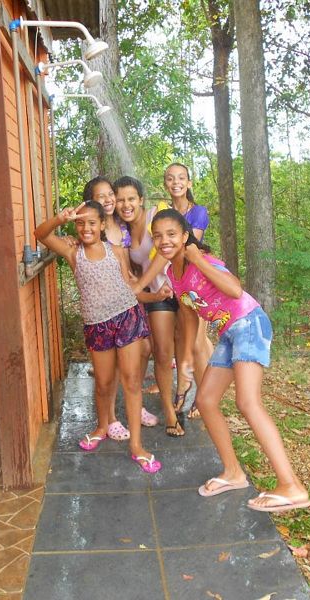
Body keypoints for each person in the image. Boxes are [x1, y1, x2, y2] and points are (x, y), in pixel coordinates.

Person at [150, 209, 309, 511]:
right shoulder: (172, 273)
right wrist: (186, 358)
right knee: (206, 400)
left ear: (185, 236)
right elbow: (189, 315)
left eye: (171, 234)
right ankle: (233, 472)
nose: (164, 240)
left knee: (247, 402)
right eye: (157, 236)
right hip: (229, 332)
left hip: (249, 323)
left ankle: (292, 486)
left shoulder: (203, 260)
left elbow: (235, 290)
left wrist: (198, 260)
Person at [34, 201, 161, 473]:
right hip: (97, 326)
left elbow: (130, 286)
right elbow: (40, 234)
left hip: (126, 318)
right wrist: (60, 219)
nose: (86, 228)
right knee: (103, 383)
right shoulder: (72, 252)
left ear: (102, 224)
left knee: (131, 381)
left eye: (92, 222)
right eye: (80, 223)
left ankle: (136, 445)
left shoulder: (116, 251)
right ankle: (102, 426)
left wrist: (152, 297)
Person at [82, 177, 158, 437]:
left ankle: (136, 405)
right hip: (105, 307)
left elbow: (129, 260)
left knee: (142, 351)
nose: (108, 200)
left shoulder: (122, 224)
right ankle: (111, 418)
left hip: (129, 299)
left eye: (110, 194)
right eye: (101, 196)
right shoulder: (94, 228)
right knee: (111, 365)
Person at [114, 176, 184, 437]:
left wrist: (139, 284)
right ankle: (169, 411)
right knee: (163, 354)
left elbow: (165, 252)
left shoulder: (156, 216)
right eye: (120, 199)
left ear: (141, 200)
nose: (126, 204)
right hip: (157, 295)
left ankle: (199, 400)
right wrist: (138, 284)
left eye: (131, 198)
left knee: (194, 348)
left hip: (182, 288)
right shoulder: (122, 231)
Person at [163, 163, 214, 420]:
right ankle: (192, 388)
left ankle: (204, 398)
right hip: (174, 279)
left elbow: (187, 245)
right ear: (165, 184)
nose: (176, 183)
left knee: (197, 342)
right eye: (171, 179)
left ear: (189, 183)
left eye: (181, 178)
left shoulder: (199, 212)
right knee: (183, 337)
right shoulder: (163, 211)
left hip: (195, 281)